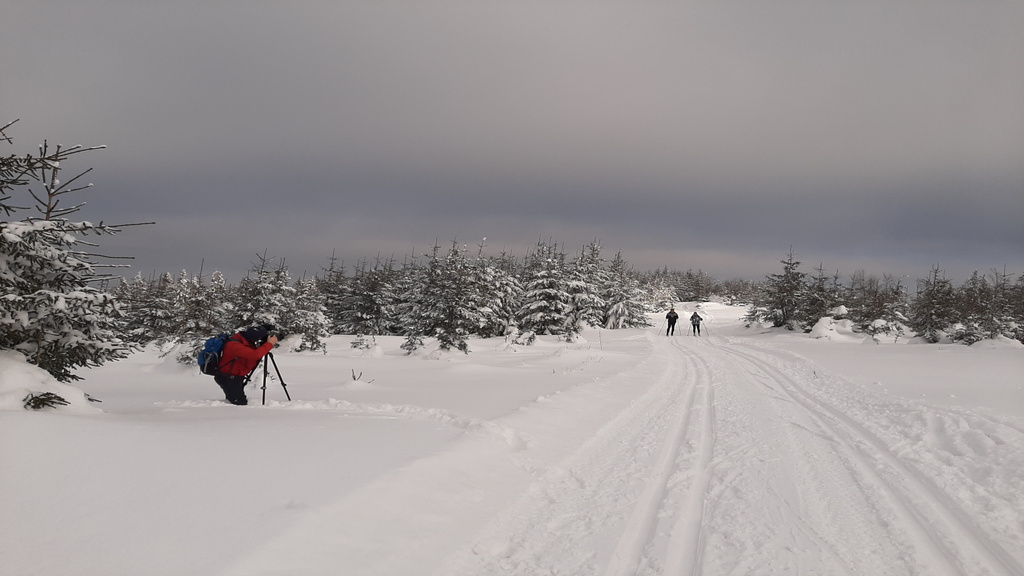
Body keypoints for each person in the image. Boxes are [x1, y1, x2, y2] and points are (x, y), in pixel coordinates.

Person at [214, 325, 279, 405]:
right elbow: (255, 355)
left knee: (233, 400)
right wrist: (269, 344)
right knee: (239, 402)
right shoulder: (235, 345)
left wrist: (265, 329)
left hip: (234, 376)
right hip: (228, 377)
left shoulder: (245, 340)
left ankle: (232, 410)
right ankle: (234, 415)